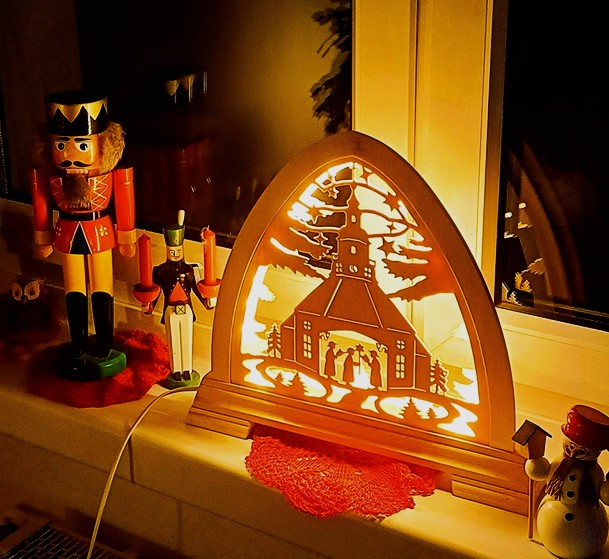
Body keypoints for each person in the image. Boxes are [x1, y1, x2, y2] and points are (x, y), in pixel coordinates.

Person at [31, 91, 136, 379]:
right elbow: (41, 204)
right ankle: (77, 343)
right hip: (66, 232)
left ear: (104, 143)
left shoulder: (112, 174)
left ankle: (104, 343)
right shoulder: (49, 176)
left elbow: (125, 201)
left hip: (99, 231)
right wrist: (42, 236)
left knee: (102, 286)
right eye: (61, 145)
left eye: (81, 145)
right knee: (74, 289)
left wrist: (127, 236)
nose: (69, 155)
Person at [135, 211, 207, 387]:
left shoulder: (190, 270)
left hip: (186, 309)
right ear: (167, 250)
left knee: (187, 338)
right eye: (172, 251)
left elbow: (197, 289)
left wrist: (207, 301)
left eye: (178, 250)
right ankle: (176, 371)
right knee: (174, 339)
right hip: (170, 309)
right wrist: (149, 304)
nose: (175, 253)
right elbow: (155, 291)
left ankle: (187, 369)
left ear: (182, 249)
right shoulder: (160, 271)